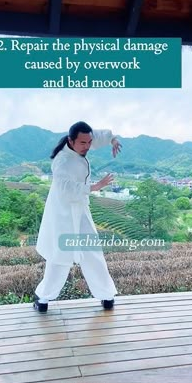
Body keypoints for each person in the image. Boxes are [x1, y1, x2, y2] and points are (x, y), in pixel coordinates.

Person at [34, 121, 122, 313]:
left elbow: (99, 136)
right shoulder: (62, 161)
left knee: (92, 252)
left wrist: (112, 140)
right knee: (59, 257)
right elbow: (66, 190)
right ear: (70, 141)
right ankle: (43, 298)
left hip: (80, 211)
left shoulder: (84, 142)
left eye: (89, 142)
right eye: (83, 143)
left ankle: (106, 295)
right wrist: (95, 187)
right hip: (63, 213)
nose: (87, 146)